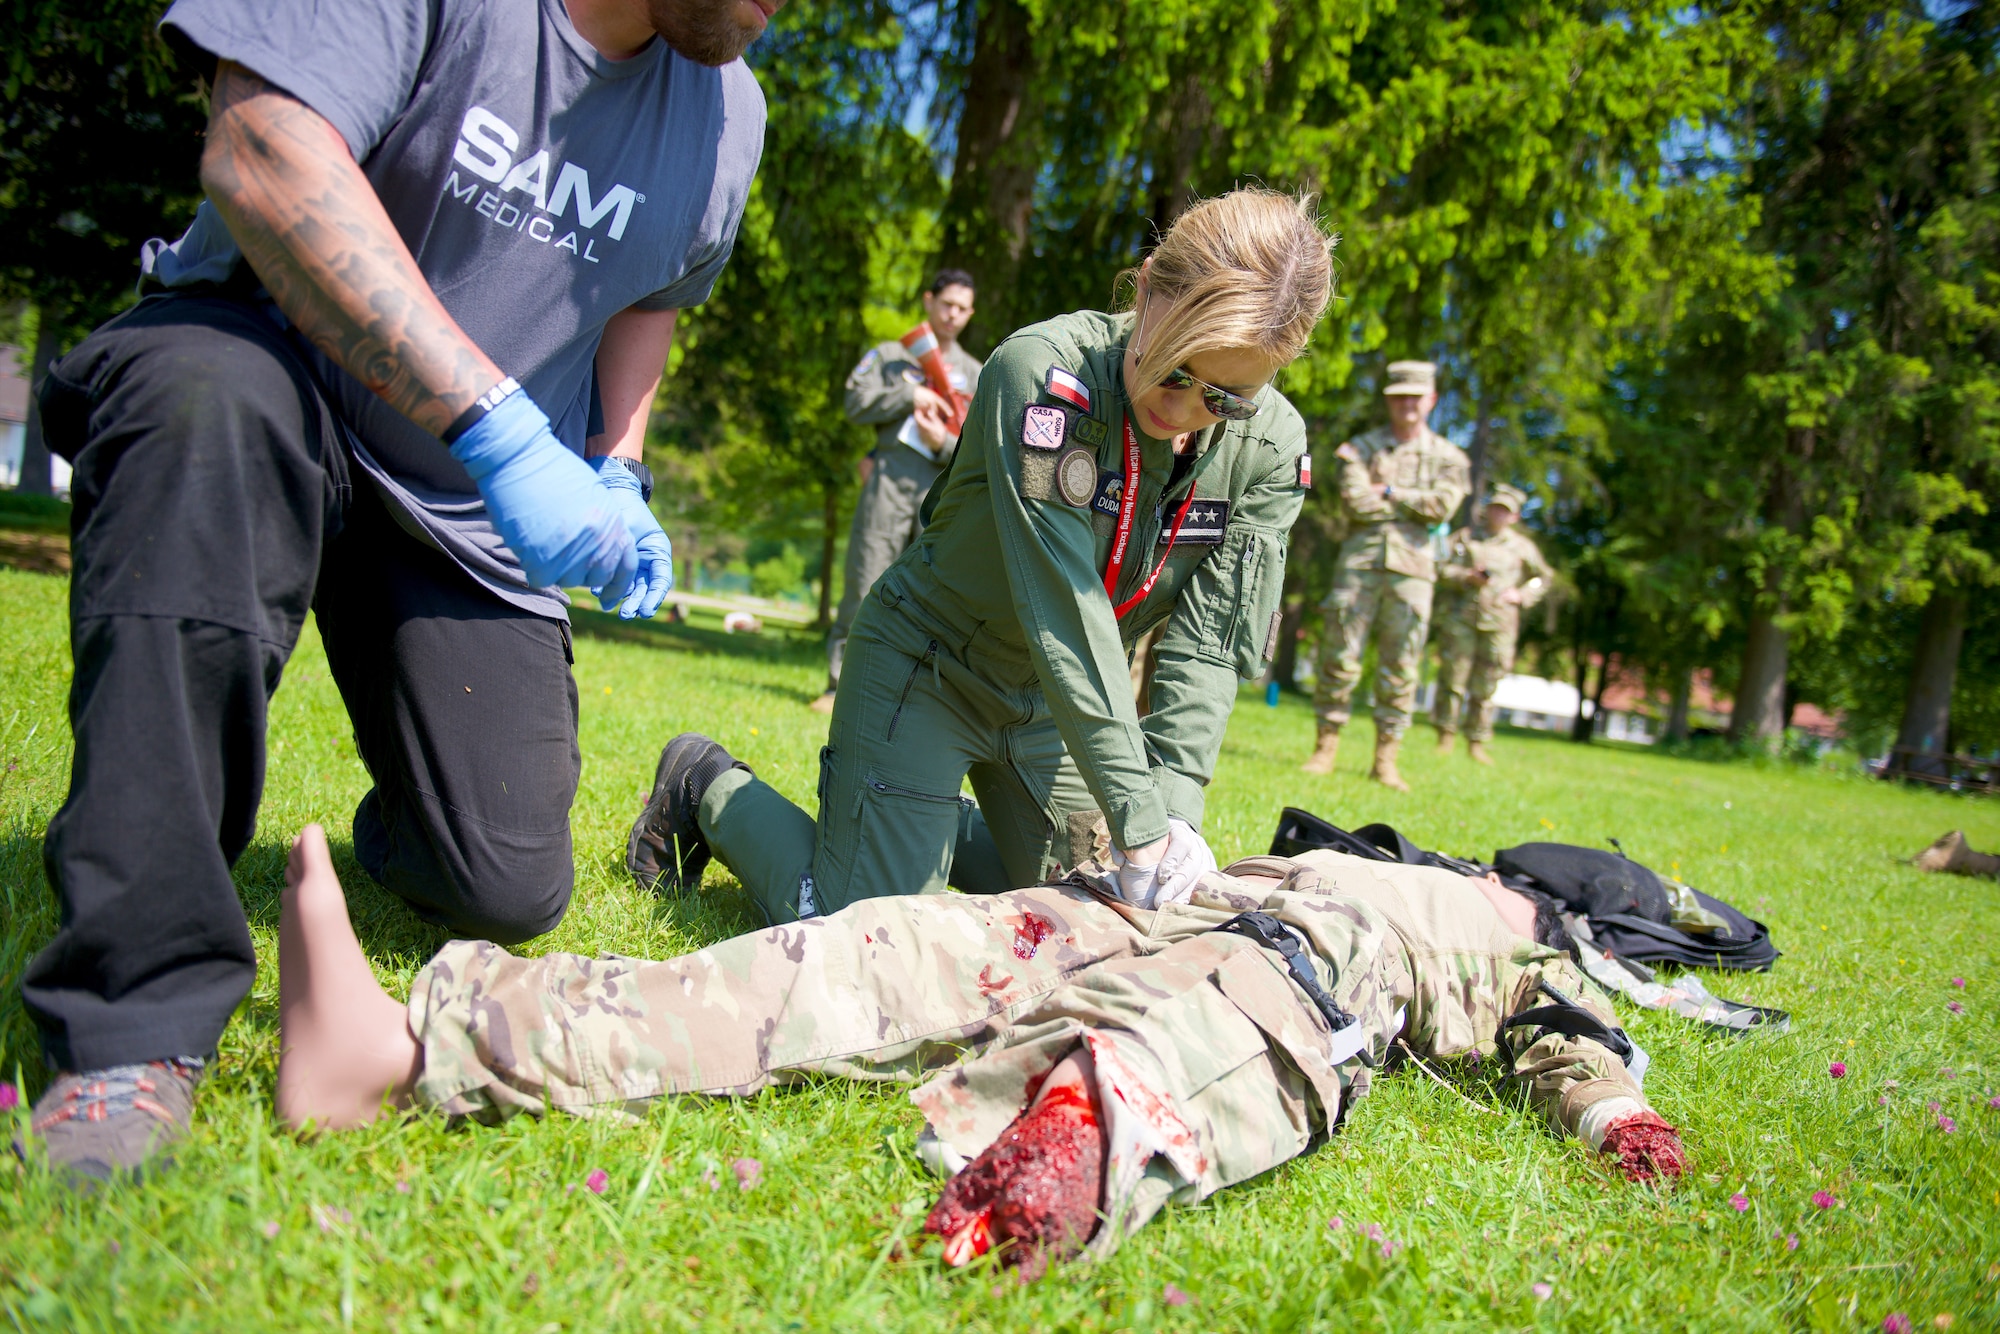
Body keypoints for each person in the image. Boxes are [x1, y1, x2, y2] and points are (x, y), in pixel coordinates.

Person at [17, 0, 775, 1182]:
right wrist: (500, 430)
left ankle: (373, 824)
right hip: (267, 372)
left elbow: (651, 298)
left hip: (457, 510)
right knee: (204, 414)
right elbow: (260, 146)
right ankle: (133, 1021)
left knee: (503, 881)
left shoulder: (730, 113)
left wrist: (615, 467)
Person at [273, 821, 1687, 1277]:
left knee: (1216, 1025)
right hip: (1122, 912)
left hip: (1291, 976)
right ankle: (413, 1043)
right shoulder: (1352, 853)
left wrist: (1615, 1113)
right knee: (854, 960)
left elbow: (1570, 1036)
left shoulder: (1523, 943)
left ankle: (1071, 1142)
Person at [628, 190, 1333, 922]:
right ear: (1149, 284)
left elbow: (1208, 645)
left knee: (1094, 922)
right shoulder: (1042, 377)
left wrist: (1176, 806)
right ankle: (707, 784)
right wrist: (1138, 817)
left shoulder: (1271, 449)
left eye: (1224, 397)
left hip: (1060, 713)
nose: (1184, 411)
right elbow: (1063, 606)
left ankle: (918, 818)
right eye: (1176, 369)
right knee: (864, 943)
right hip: (931, 667)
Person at [813, 271, 983, 713]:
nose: (953, 315)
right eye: (946, 304)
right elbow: (855, 402)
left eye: (962, 308)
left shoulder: (975, 372)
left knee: (930, 594)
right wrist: (909, 397)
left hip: (941, 491)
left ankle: (907, 699)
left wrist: (939, 443)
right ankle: (838, 688)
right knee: (864, 579)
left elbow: (979, 445)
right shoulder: (891, 356)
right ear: (929, 301)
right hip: (887, 481)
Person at [1304, 361, 1470, 790]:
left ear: (1431, 400)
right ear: (1388, 400)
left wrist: (1391, 491)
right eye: (1399, 397)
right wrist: (1412, 502)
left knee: (1403, 663)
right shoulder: (1359, 449)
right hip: (1360, 565)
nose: (1407, 405)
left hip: (1414, 570)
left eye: (1416, 396)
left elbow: (1443, 507)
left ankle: (1385, 759)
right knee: (1339, 654)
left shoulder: (1451, 458)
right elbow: (1357, 503)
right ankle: (1325, 746)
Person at [1431, 484, 1552, 764]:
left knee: (1487, 684)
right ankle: (1445, 737)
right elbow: (1438, 566)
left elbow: (1543, 577)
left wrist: (1522, 594)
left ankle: (1476, 741)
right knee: (1453, 678)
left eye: (1505, 511)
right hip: (1461, 618)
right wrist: (1465, 576)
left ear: (1514, 517)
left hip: (1499, 622)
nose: (1498, 514)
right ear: (1488, 510)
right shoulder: (1466, 537)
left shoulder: (1523, 547)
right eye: (1495, 508)